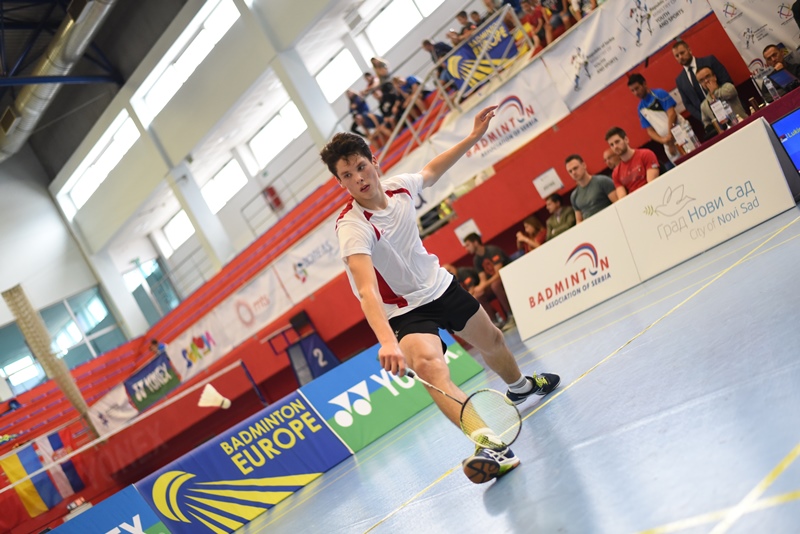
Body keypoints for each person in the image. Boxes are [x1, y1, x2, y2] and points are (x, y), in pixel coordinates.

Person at [322, 107, 560, 484]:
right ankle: (490, 445)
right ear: (341, 183)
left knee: (493, 341)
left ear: (374, 162)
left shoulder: (400, 187)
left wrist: (473, 137)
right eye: (347, 176)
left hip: (439, 285)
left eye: (360, 167)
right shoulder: (352, 227)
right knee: (430, 369)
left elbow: (432, 170)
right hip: (404, 312)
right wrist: (387, 342)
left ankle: (520, 388)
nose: (358, 179)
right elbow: (366, 290)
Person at [462, 233, 517, 332]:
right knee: (480, 295)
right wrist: (479, 289)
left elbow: (499, 273)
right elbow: (483, 279)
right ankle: (495, 322)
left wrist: (484, 285)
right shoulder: (476, 260)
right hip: (494, 283)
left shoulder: (492, 250)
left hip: (508, 276)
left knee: (495, 285)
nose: (466, 248)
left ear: (475, 242)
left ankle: (512, 315)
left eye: (468, 245)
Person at [627, 73, 683, 164]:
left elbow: (672, 114)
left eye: (637, 88)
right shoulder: (640, 109)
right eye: (632, 91)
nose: (636, 93)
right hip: (667, 143)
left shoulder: (659, 94)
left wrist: (670, 137)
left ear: (644, 84)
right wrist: (663, 141)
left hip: (680, 132)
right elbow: (650, 131)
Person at [672, 40, 733, 122]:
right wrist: (704, 117)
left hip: (728, 106)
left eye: (682, 53)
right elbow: (688, 104)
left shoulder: (709, 61)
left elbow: (726, 81)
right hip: (710, 120)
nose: (680, 57)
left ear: (689, 50)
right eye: (677, 56)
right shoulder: (680, 80)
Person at [605, 126, 659, 198]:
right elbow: (622, 198)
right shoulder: (616, 173)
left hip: (653, 195)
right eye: (612, 145)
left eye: (617, 142)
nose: (615, 147)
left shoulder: (646, 154)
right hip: (634, 201)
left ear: (626, 139)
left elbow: (652, 184)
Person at [565, 154, 616, 223]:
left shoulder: (602, 181)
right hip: (590, 227)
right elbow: (579, 220)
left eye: (575, 168)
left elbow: (617, 203)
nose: (573, 173)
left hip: (610, 221)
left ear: (584, 165)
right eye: (570, 171)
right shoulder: (574, 196)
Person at [696, 66, 748, 130]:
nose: (706, 81)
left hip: (744, 124)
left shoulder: (727, 87)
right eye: (702, 80)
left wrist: (715, 91)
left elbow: (730, 93)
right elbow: (707, 125)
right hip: (727, 133)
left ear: (714, 77)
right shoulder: (704, 105)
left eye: (708, 76)